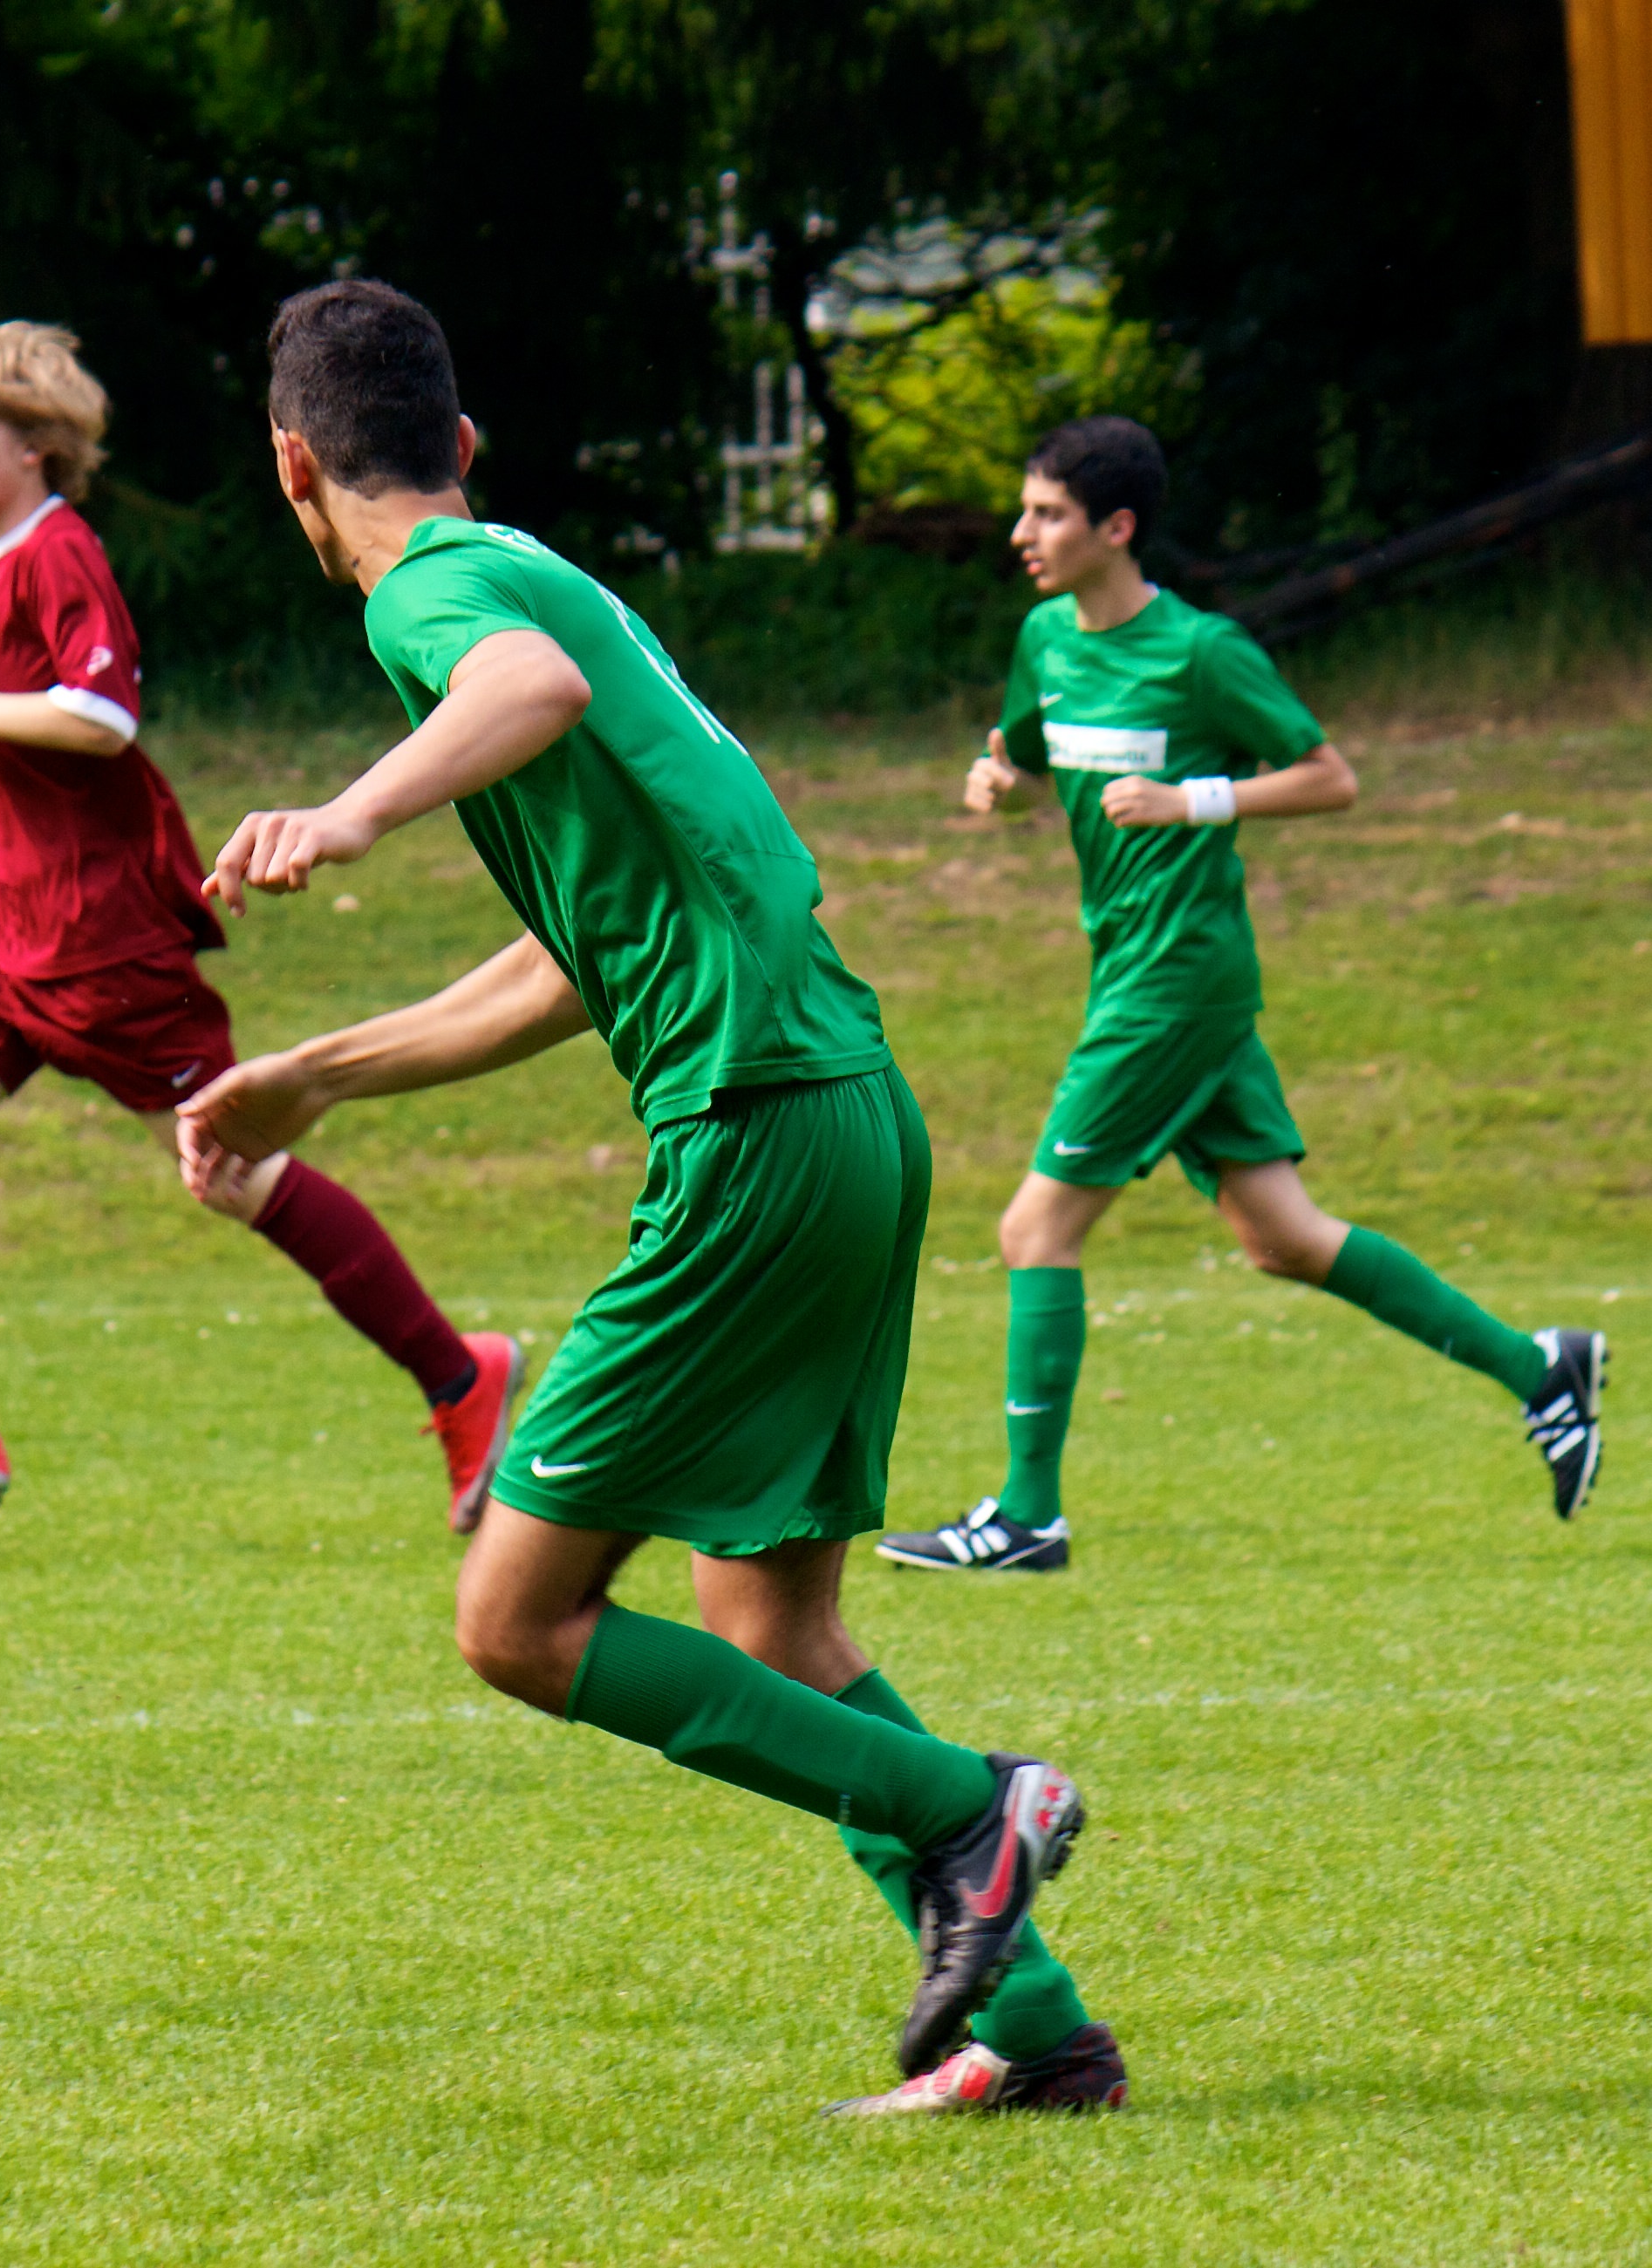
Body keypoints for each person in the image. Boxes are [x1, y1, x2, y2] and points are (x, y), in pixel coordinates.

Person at [174, 280, 1120, 2115]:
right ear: (460, 441)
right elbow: (571, 963)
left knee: (515, 1620)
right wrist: (316, 1072)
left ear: (293, 467)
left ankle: (969, 1807)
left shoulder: (435, 597)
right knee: (768, 1617)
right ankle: (1038, 2036)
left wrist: (350, 815)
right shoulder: (547, 577)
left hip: (753, 1126)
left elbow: (515, 696)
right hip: (845, 1110)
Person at [876, 417, 1603, 1576]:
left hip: (1176, 982)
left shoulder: (1203, 652)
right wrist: (1001, 782)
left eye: (1047, 514)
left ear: (1117, 528)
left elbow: (1329, 778)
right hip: (1134, 968)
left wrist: (1196, 800)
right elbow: (1028, 757)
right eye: (1025, 510)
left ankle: (1026, 1517)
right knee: (1282, 1238)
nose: (1021, 533)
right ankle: (1540, 1370)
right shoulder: (1044, 639)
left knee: (1034, 1229)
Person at [0, 319, 520, 1522]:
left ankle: (461, 1376)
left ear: (34, 442)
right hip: (13, 927)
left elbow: (101, 720)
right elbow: (46, 729)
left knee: (233, 1169)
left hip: (100, 940)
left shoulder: (57, 552)